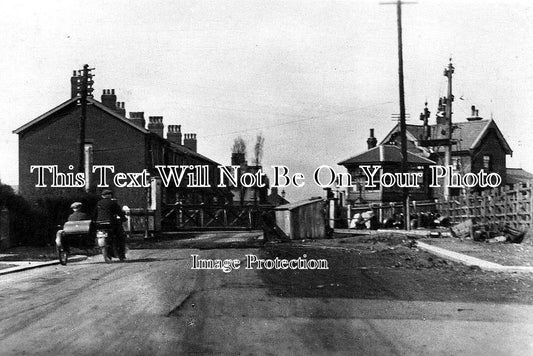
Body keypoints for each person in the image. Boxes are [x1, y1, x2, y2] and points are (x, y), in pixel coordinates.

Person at [95, 189, 127, 260]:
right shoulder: (113, 203)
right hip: (111, 223)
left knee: (101, 234)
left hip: (100, 223)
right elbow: (120, 212)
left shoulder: (98, 203)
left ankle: (108, 253)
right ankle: (121, 255)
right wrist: (123, 218)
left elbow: (95, 213)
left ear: (102, 196)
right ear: (110, 195)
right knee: (119, 237)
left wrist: (95, 221)